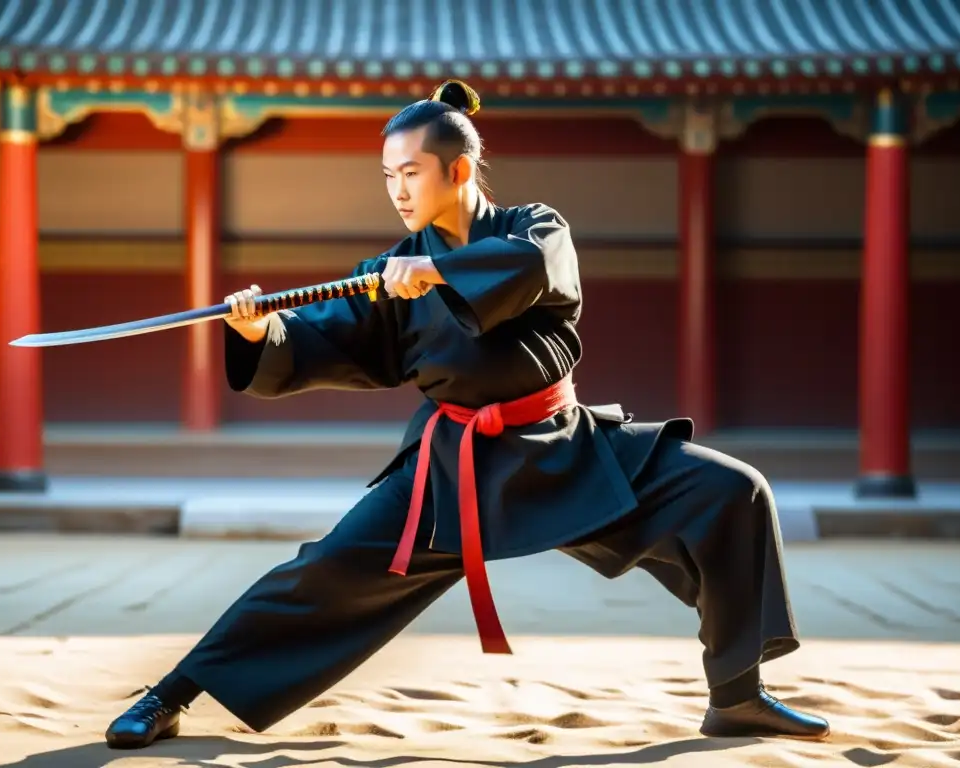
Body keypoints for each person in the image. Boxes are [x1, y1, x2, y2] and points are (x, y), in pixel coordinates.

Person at [104, 79, 830, 750]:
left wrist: (439, 273)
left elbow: (533, 272)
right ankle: (170, 694)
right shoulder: (385, 272)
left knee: (733, 492)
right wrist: (264, 331)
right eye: (387, 176)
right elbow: (332, 337)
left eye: (409, 172)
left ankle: (736, 693)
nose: (396, 190)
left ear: (458, 170)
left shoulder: (533, 227)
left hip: (564, 451)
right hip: (451, 472)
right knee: (320, 572)